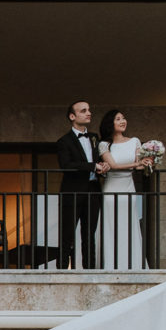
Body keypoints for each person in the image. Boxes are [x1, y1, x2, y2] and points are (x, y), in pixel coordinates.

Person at [57, 101, 109, 269]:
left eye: (89, 110)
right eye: (83, 111)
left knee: (89, 235)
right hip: (72, 193)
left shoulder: (94, 138)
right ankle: (62, 271)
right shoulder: (64, 141)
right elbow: (66, 165)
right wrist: (92, 166)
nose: (89, 113)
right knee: (67, 235)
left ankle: (90, 271)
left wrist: (104, 167)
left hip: (93, 191)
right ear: (72, 116)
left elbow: (99, 161)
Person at [96, 109, 150, 269]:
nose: (123, 121)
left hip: (128, 188)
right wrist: (136, 164)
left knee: (129, 225)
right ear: (110, 124)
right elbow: (112, 166)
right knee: (111, 226)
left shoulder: (135, 141)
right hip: (111, 189)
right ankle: (111, 264)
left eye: (124, 118)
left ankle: (132, 264)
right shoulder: (104, 144)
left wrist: (148, 161)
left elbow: (140, 164)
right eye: (118, 119)